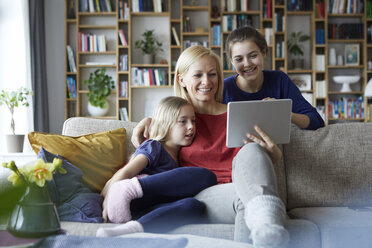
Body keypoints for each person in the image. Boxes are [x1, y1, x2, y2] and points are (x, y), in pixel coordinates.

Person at [132, 46, 290, 248]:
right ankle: (270, 229)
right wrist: (149, 122)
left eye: (212, 74)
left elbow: (258, 167)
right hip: (204, 195)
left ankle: (267, 230)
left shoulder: (242, 114)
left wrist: (273, 154)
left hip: (246, 189)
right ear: (182, 80)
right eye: (198, 75)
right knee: (246, 199)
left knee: (250, 157)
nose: (206, 82)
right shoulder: (177, 123)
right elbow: (152, 156)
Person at [96, 96, 217, 237]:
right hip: (132, 199)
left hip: (144, 210)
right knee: (206, 177)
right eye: (183, 121)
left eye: (193, 121)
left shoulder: (180, 157)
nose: (191, 126)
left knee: (194, 206)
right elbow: (126, 172)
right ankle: (131, 189)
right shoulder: (154, 146)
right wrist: (108, 202)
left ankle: (131, 230)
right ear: (165, 124)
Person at [224, 25, 324, 130]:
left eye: (253, 56)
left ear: (264, 52)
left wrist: (283, 113)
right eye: (239, 59)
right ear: (231, 61)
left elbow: (317, 121)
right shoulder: (224, 88)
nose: (247, 64)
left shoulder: (279, 80)